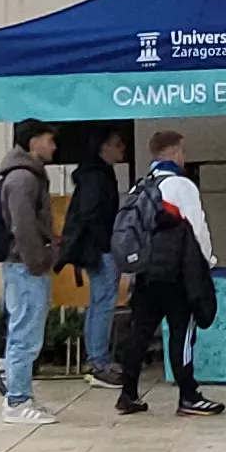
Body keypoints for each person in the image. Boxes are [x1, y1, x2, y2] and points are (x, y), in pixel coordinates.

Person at [118, 130, 225, 416]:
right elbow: (198, 230)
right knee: (182, 333)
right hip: (177, 274)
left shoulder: (140, 187)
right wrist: (207, 263)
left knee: (139, 332)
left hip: (145, 272)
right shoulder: (181, 186)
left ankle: (128, 394)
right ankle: (189, 396)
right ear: (175, 152)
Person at [0, 120, 61, 425]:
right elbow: (23, 226)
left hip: (26, 265)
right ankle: (17, 400)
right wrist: (38, 261)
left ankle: (22, 396)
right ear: (33, 142)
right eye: (49, 140)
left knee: (28, 332)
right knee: (24, 334)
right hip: (25, 266)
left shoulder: (27, 176)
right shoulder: (22, 179)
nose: (53, 147)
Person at [66, 126, 127, 387]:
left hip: (95, 248)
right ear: (104, 147)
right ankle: (98, 361)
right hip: (99, 249)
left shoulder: (97, 174)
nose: (122, 148)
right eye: (117, 144)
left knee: (98, 302)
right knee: (104, 302)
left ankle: (96, 357)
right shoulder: (96, 177)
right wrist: (107, 244)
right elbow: (91, 214)